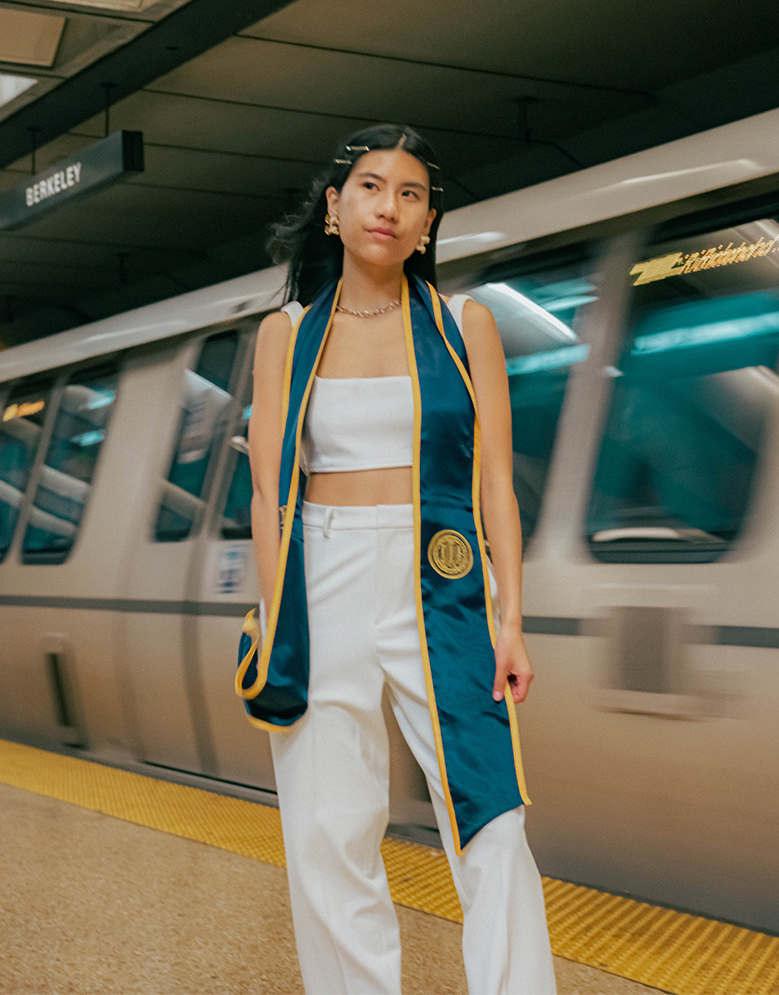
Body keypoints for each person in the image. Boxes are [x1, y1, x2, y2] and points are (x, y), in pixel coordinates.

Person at [239, 124, 557, 992]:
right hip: (320, 576)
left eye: (411, 193)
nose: (391, 205)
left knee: (492, 819)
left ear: (427, 222)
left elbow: (497, 483)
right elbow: (270, 495)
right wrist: (276, 621)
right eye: (373, 187)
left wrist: (512, 618)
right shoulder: (286, 335)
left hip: (445, 580)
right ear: (335, 210)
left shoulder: (465, 325)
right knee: (327, 833)